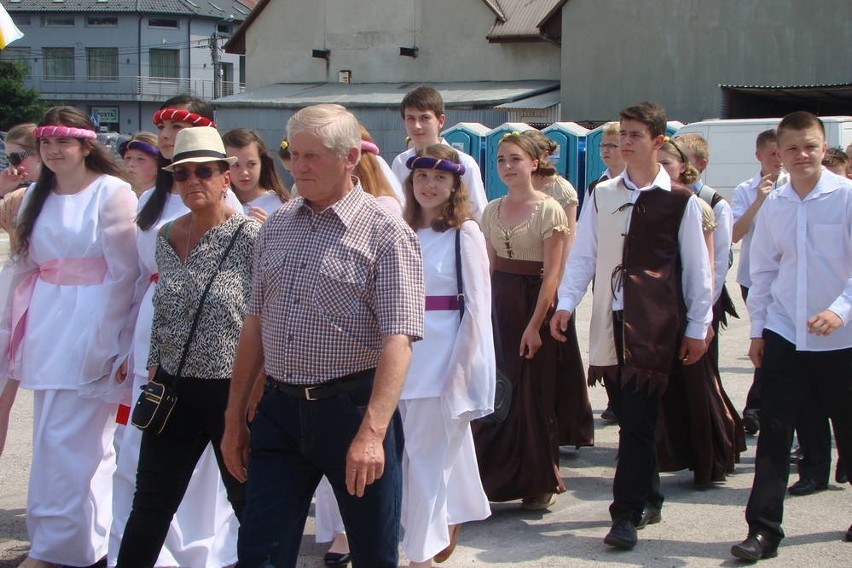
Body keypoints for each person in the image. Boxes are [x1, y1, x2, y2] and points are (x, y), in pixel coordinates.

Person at [221, 103, 424, 568]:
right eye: (294, 154)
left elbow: (399, 338)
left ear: (351, 157)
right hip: (279, 408)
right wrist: (234, 417)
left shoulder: (386, 232)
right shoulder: (276, 226)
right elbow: (255, 322)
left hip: (350, 409)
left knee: (373, 553)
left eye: (314, 156)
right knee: (260, 551)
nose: (300, 166)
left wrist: (372, 433)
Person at [551, 102, 712, 551]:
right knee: (630, 414)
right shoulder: (602, 194)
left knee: (637, 420)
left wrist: (699, 325)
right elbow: (584, 254)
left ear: (657, 142)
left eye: (635, 135)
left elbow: (699, 271)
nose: (625, 141)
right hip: (610, 317)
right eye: (622, 133)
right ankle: (651, 496)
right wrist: (566, 304)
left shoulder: (682, 202)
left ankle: (623, 515)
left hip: (655, 323)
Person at [0, 106, 139, 568]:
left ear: (86, 145)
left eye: (63, 142)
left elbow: (124, 275)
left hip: (92, 323)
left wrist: (109, 341)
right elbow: (23, 264)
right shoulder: (37, 193)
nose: (54, 151)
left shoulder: (112, 192)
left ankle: (62, 547)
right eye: (45, 144)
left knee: (71, 442)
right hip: (47, 321)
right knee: (51, 437)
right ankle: (73, 543)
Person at [109, 96, 243, 568]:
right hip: (171, 387)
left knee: (253, 507)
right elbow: (164, 308)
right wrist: (152, 369)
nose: (192, 181)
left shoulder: (253, 236)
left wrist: (256, 394)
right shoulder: (165, 234)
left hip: (231, 392)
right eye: (181, 173)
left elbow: (262, 321)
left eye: (204, 171)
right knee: (149, 505)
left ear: (226, 176)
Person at [730, 111, 852, 561]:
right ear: (777, 154)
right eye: (793, 148)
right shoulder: (776, 204)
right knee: (776, 435)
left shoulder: (846, 198)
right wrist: (758, 330)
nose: (803, 155)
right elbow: (762, 271)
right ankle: (763, 531)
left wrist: (840, 311)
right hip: (784, 333)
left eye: (811, 146)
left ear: (823, 148)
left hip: (842, 338)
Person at [400, 145, 494, 566]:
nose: (429, 185)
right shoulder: (398, 229)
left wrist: (463, 371)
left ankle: (419, 553)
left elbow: (477, 308)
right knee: (426, 455)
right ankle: (449, 516)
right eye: (422, 176)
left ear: (455, 184)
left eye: (440, 178)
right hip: (399, 356)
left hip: (441, 359)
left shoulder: (465, 233)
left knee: (424, 457)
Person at [471, 132, 570, 511]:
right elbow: (489, 267)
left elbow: (552, 276)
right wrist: (480, 315)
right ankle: (491, 478)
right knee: (498, 392)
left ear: (533, 163)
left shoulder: (550, 210)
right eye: (501, 160)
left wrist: (534, 325)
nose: (507, 167)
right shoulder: (491, 210)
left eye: (515, 159)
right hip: (500, 302)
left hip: (534, 305)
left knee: (533, 395)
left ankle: (538, 478)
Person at [655, 137, 745, 488]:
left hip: (694, 303)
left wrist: (703, 316)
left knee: (699, 383)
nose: (662, 169)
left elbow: (715, 265)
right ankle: (670, 450)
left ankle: (713, 454)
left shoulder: (707, 205)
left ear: (683, 166)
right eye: (656, 163)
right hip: (660, 306)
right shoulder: (651, 201)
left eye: (667, 163)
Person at [521, 128, 594, 449]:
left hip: (553, 277)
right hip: (523, 277)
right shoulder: (521, 185)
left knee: (559, 356)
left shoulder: (560, 190)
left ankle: (566, 424)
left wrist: (562, 289)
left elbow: (569, 240)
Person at [730, 129, 784, 435]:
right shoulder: (745, 189)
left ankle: (756, 406)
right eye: (772, 154)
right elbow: (736, 234)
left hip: (787, 278)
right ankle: (756, 406)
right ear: (759, 156)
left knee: (778, 345)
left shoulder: (795, 186)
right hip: (756, 277)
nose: (779, 160)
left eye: (781, 153)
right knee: (765, 340)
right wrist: (760, 200)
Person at [0, 122, 40, 457]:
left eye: (18, 155)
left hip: (41, 298)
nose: (14, 163)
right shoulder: (18, 197)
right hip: (13, 294)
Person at [390, 85, 487, 217]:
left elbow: (479, 215)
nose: (417, 126)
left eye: (425, 118)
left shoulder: (464, 163)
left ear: (440, 121)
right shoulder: (401, 162)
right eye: (411, 118)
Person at [583, 121, 624, 421]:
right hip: (605, 274)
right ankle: (614, 397)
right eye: (603, 146)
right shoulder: (596, 187)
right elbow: (587, 237)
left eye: (612, 145)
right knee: (605, 333)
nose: (607, 151)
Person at [222, 127, 289, 223]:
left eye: (251, 164)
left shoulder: (280, 206)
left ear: (262, 163)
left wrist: (270, 230)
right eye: (235, 165)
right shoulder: (219, 202)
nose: (244, 172)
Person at [119, 132, 160, 196]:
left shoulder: (170, 201)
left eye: (140, 159)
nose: (131, 164)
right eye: (128, 158)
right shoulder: (116, 195)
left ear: (158, 166)